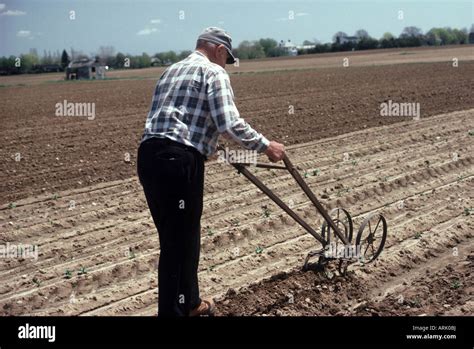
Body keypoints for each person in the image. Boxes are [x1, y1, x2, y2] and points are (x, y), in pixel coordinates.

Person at [137, 27, 285, 316]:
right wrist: (266, 146)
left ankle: (190, 303)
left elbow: (182, 118)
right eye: (226, 58)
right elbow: (229, 123)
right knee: (178, 242)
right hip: (179, 161)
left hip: (149, 157)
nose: (225, 64)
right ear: (219, 50)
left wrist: (210, 147)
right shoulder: (214, 72)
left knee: (178, 237)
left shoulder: (172, 70)